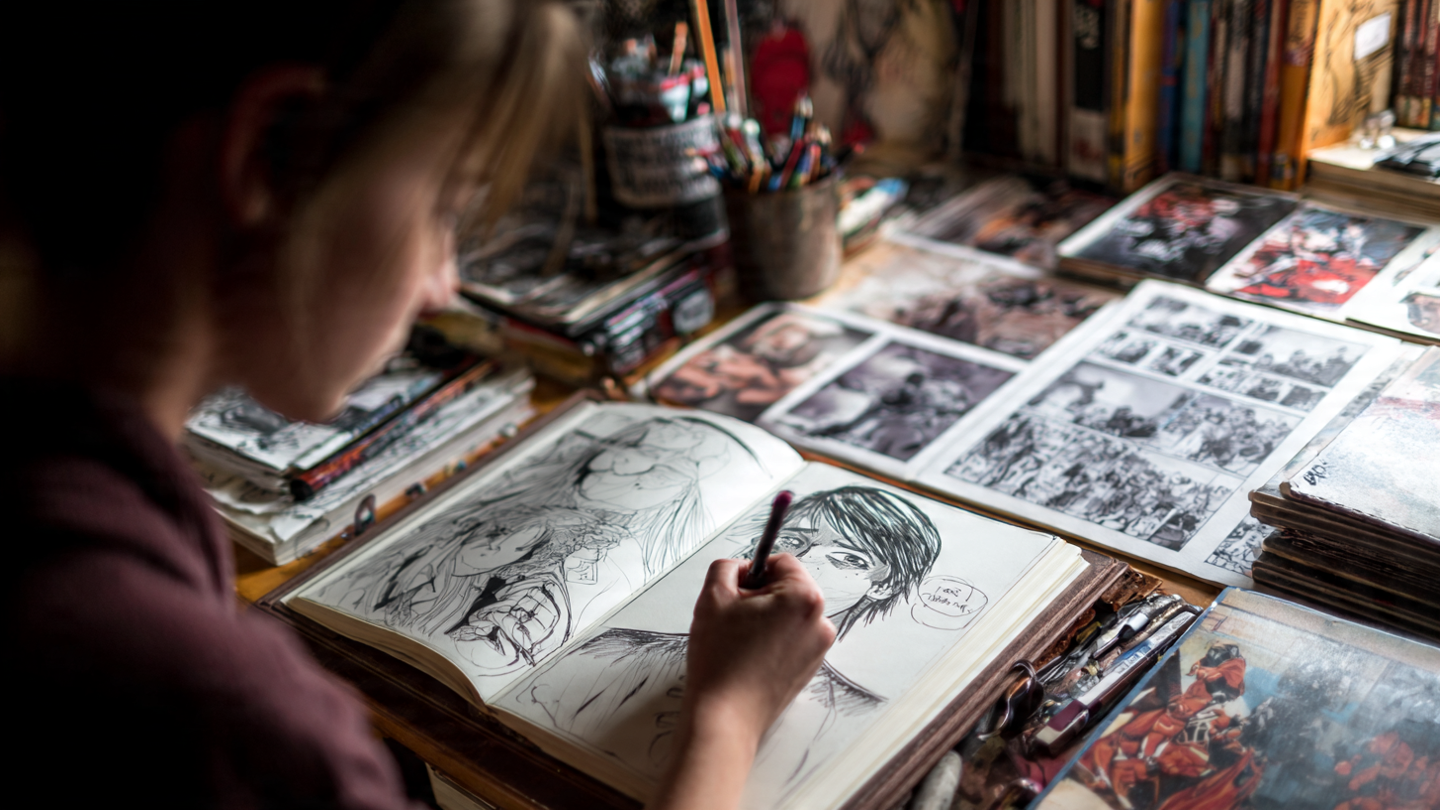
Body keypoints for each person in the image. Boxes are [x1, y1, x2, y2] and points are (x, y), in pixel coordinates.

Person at [0, 4, 835, 810]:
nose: (444, 286)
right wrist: (728, 715)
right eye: (447, 208)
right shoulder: (227, 717)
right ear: (271, 155)